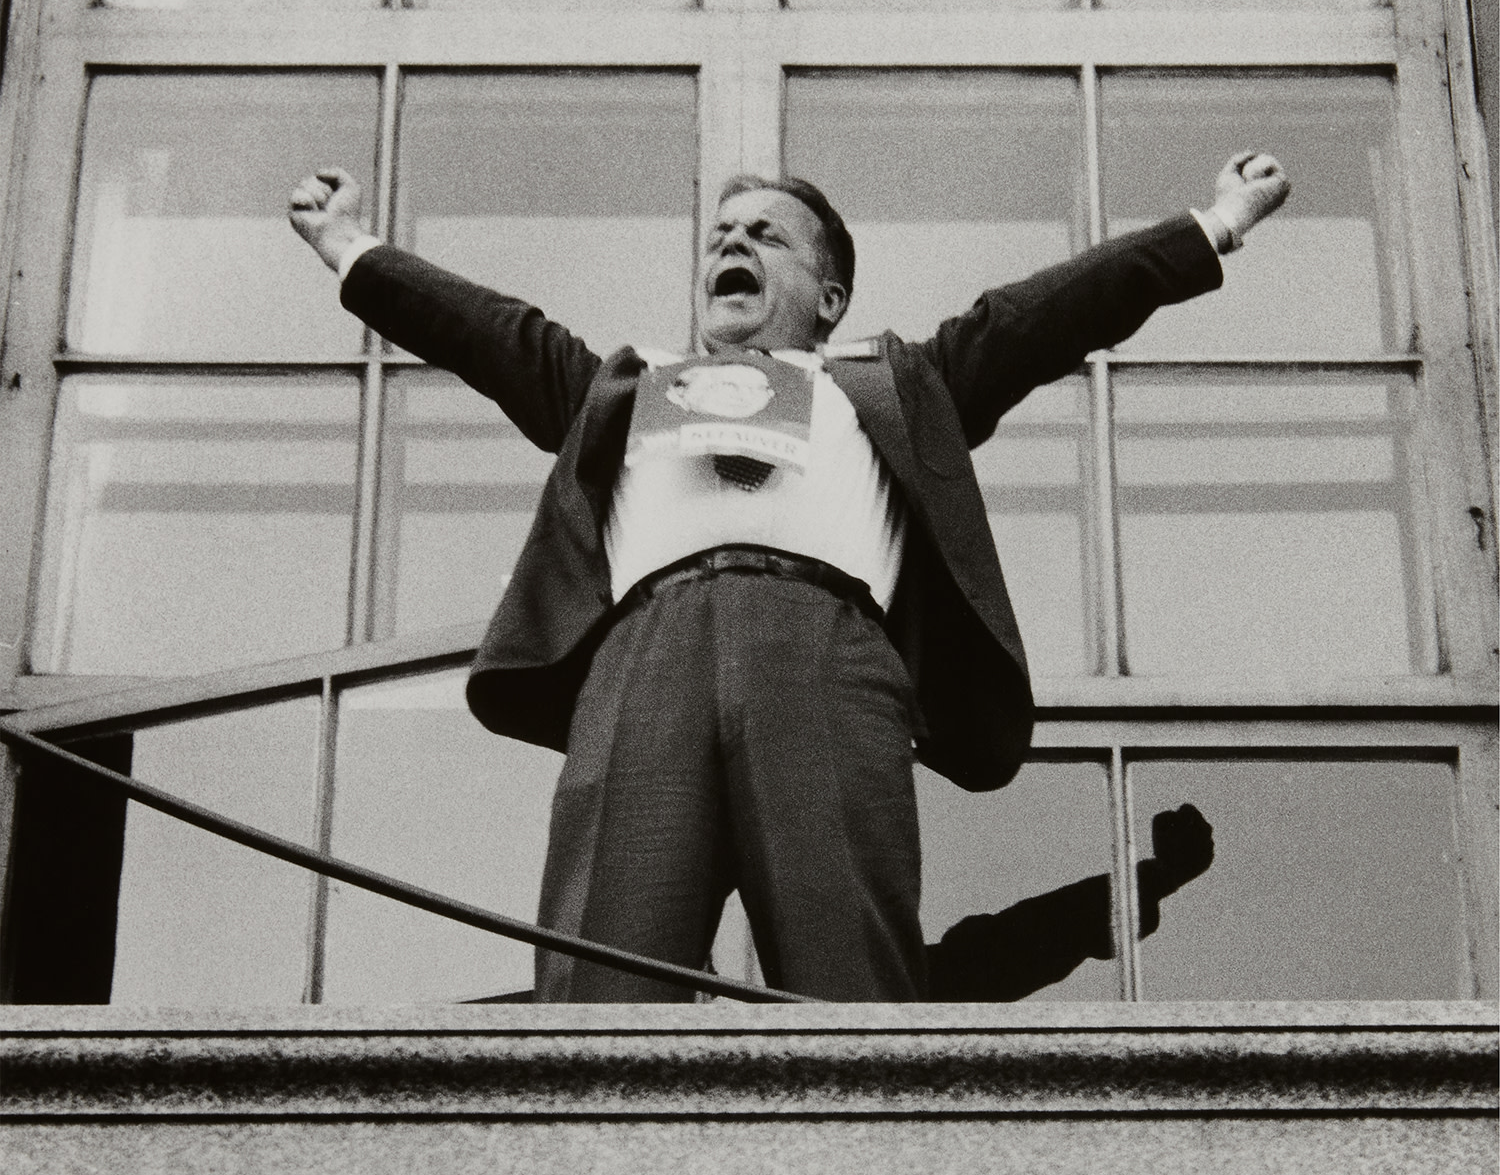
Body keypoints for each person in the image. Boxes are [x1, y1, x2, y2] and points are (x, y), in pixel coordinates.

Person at [289, 153, 1287, 1001]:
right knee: (602, 969)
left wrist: (1220, 223)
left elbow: (1051, 312)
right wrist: (347, 244)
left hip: (823, 647)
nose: (733, 245)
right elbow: (488, 330)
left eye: (767, 236)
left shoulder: (894, 382)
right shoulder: (627, 389)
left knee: (841, 946)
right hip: (648, 655)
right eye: (722, 234)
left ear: (831, 295)